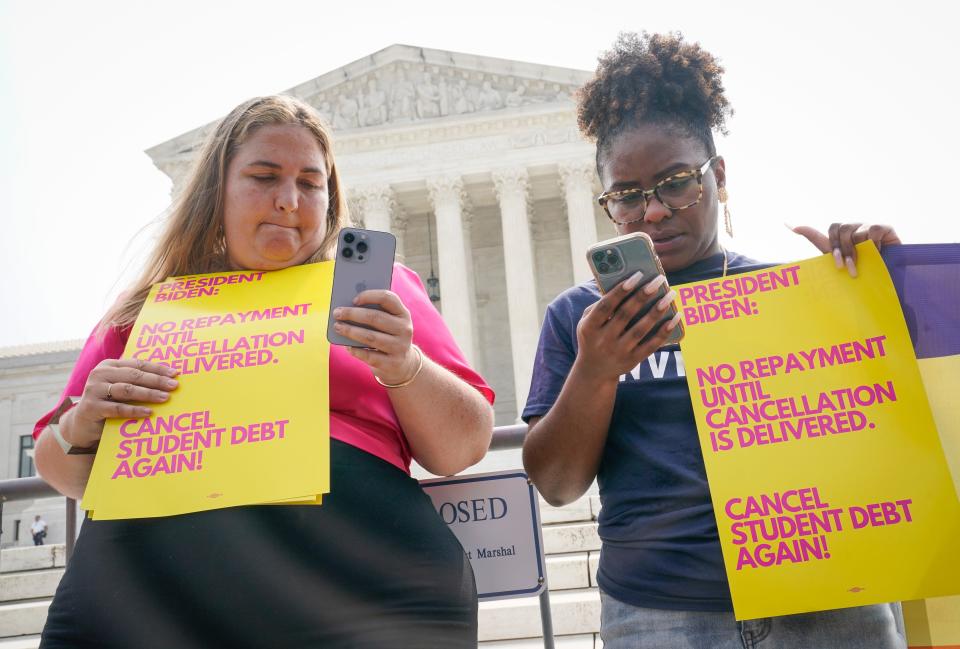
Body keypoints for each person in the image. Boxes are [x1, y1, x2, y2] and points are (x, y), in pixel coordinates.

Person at [32, 95, 495, 649]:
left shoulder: (380, 293)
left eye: (310, 182)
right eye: (264, 176)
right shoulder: (148, 310)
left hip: (362, 581)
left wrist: (406, 365)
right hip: (151, 590)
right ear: (215, 192)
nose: (288, 200)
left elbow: (461, 448)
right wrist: (84, 421)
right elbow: (59, 467)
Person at [521, 33, 905, 649]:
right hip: (659, 613)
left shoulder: (794, 292)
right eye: (626, 196)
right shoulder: (580, 317)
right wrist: (597, 370)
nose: (652, 213)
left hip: (827, 601)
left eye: (677, 183)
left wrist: (886, 295)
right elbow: (559, 486)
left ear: (718, 177)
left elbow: (896, 431)